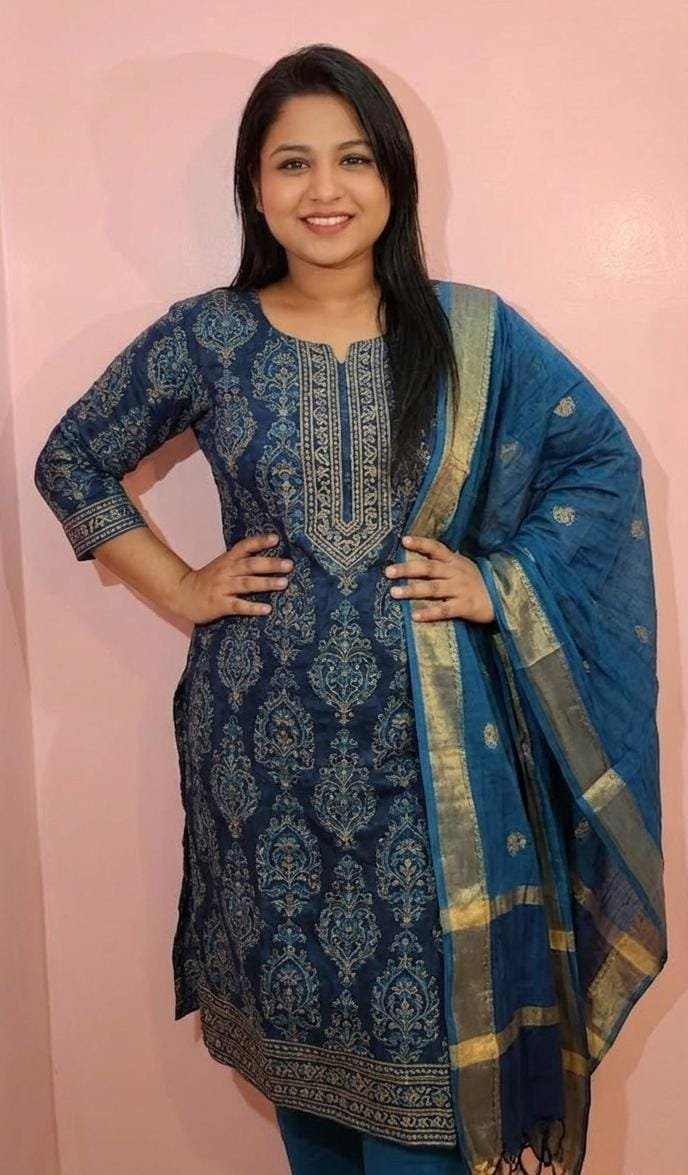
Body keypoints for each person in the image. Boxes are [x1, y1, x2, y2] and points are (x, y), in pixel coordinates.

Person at [34, 43, 666, 1175]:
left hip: (433, 776)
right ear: (254, 184)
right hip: (261, 779)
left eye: (354, 158)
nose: (324, 189)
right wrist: (179, 583)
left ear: (393, 178)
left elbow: (596, 468)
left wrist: (497, 581)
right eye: (293, 163)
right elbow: (71, 459)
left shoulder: (473, 333)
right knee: (307, 1098)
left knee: (436, 1096)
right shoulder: (208, 335)